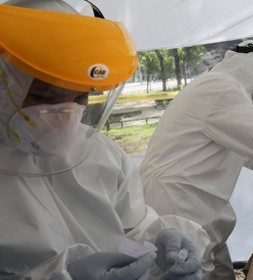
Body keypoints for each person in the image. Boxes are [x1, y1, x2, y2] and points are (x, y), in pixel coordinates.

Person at [0, 1, 204, 279]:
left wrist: (158, 240)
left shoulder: (102, 154)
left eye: (81, 96)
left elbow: (130, 229)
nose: (66, 115)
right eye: (47, 97)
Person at [140, 40, 253, 279]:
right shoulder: (221, 88)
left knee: (218, 272)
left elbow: (249, 156)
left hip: (196, 207)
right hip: (178, 207)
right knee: (190, 272)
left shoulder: (224, 90)